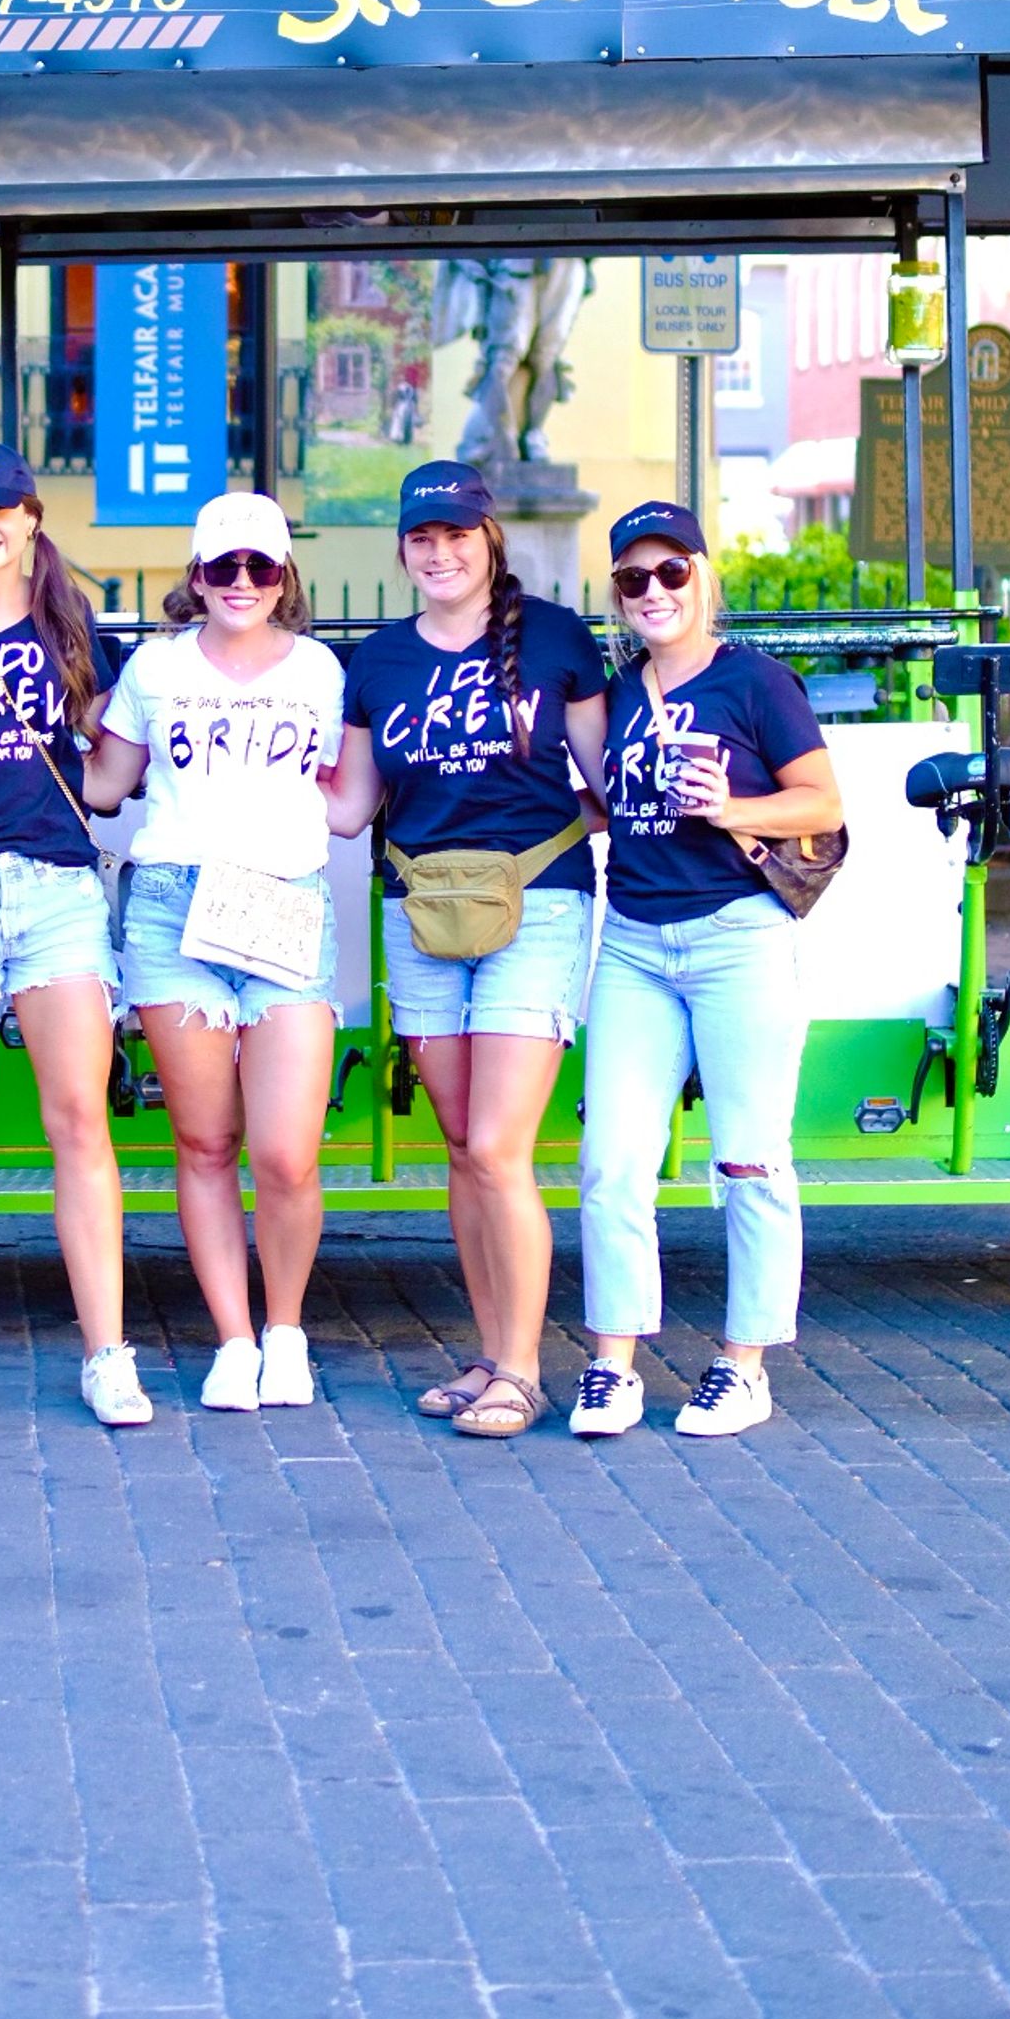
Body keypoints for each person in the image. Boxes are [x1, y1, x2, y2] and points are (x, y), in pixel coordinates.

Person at [324, 461, 608, 1437]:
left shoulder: (560, 640)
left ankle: (522, 1371)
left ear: (489, 539)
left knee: (497, 1145)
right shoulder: (378, 661)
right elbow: (352, 804)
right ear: (403, 549)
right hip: (422, 907)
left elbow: (609, 778)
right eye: (421, 537)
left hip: (539, 900)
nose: (438, 551)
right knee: (461, 1146)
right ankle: (492, 1352)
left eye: (455, 533)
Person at [571, 502, 842, 1443]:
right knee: (611, 1162)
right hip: (637, 942)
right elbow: (604, 801)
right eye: (633, 580)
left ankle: (744, 1365)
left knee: (752, 1157)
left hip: (738, 936)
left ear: (701, 575)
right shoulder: (614, 693)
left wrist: (734, 807)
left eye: (670, 572)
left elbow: (822, 799)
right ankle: (613, 1365)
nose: (653, 593)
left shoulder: (754, 682)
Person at [0, 441, 150, 1429]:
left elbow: (103, 758)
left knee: (79, 1121)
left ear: (31, 517)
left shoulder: (71, 623)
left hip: (53, 893)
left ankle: (107, 1352)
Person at [86, 493, 347, 1413]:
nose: (242, 583)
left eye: (261, 568)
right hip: (172, 904)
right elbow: (108, 784)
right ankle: (233, 1338)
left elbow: (347, 800)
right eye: (223, 568)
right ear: (195, 578)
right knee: (203, 1141)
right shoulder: (152, 670)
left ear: (285, 580)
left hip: (281, 902)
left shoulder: (321, 670)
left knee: (286, 1153)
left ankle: (287, 1329)